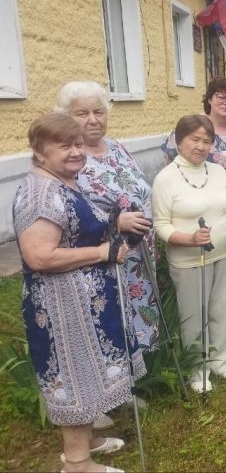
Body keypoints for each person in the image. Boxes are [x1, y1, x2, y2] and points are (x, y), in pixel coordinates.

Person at [14, 113, 137, 473]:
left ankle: (87, 442)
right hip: (62, 305)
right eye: (63, 145)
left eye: (78, 144)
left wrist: (111, 225)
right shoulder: (40, 193)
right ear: (39, 151)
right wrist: (101, 253)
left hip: (83, 301)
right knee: (75, 377)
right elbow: (38, 256)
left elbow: (76, 226)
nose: (75, 151)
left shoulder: (63, 180)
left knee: (87, 374)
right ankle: (78, 464)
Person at [54, 80, 157, 431]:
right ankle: (94, 405)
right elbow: (69, 210)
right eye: (82, 113)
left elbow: (139, 187)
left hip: (135, 257)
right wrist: (116, 220)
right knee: (99, 324)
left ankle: (123, 389)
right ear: (66, 117)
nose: (93, 120)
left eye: (99, 111)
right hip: (96, 259)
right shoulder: (67, 157)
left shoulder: (117, 148)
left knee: (127, 323)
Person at [161, 77, 226, 342]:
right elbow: (170, 169)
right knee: (200, 279)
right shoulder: (190, 128)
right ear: (209, 98)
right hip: (195, 217)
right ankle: (201, 335)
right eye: (221, 96)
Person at [152, 115, 226, 393]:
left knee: (223, 307)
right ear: (179, 141)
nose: (201, 146)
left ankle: (223, 362)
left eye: (207, 141)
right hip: (189, 259)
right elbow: (161, 226)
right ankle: (197, 369)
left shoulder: (217, 171)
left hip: (225, 251)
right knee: (194, 315)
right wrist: (189, 239)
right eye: (194, 139)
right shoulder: (165, 178)